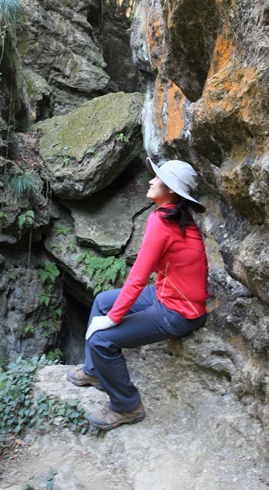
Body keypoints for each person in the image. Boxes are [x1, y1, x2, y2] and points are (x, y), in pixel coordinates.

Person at [66, 158, 209, 430]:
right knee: (102, 301)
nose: (151, 181)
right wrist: (111, 312)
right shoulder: (174, 216)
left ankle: (127, 406)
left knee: (102, 340)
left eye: (158, 178)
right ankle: (94, 371)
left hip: (180, 311)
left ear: (171, 191)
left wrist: (111, 320)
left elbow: (138, 275)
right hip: (167, 294)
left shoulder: (163, 221)